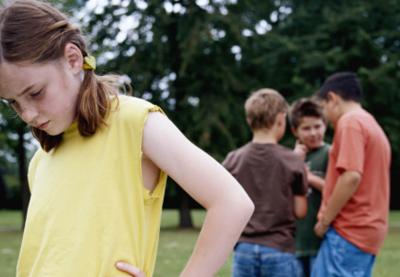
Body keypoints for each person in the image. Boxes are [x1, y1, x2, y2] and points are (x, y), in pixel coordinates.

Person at [0, 1, 254, 276]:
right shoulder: (40, 159)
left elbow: (232, 202)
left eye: (35, 93)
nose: (26, 114)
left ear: (73, 59)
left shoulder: (135, 121)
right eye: (13, 102)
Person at [312, 72, 391, 277]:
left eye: (324, 108)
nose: (326, 117)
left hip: (348, 230)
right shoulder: (371, 124)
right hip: (367, 230)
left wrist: (325, 221)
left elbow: (351, 176)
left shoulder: (350, 123)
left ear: (333, 99)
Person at [222, 88, 308, 277]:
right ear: (280, 119)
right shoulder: (292, 161)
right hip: (279, 249)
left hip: (243, 249)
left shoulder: (233, 159)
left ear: (249, 120)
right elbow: (301, 210)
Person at [289, 98, 330, 277]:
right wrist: (293, 163)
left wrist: (308, 177)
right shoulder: (292, 157)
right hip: (295, 243)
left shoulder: (330, 153)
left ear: (325, 125)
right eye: (306, 128)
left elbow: (336, 189)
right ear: (294, 131)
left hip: (320, 241)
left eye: (317, 126)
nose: (313, 133)